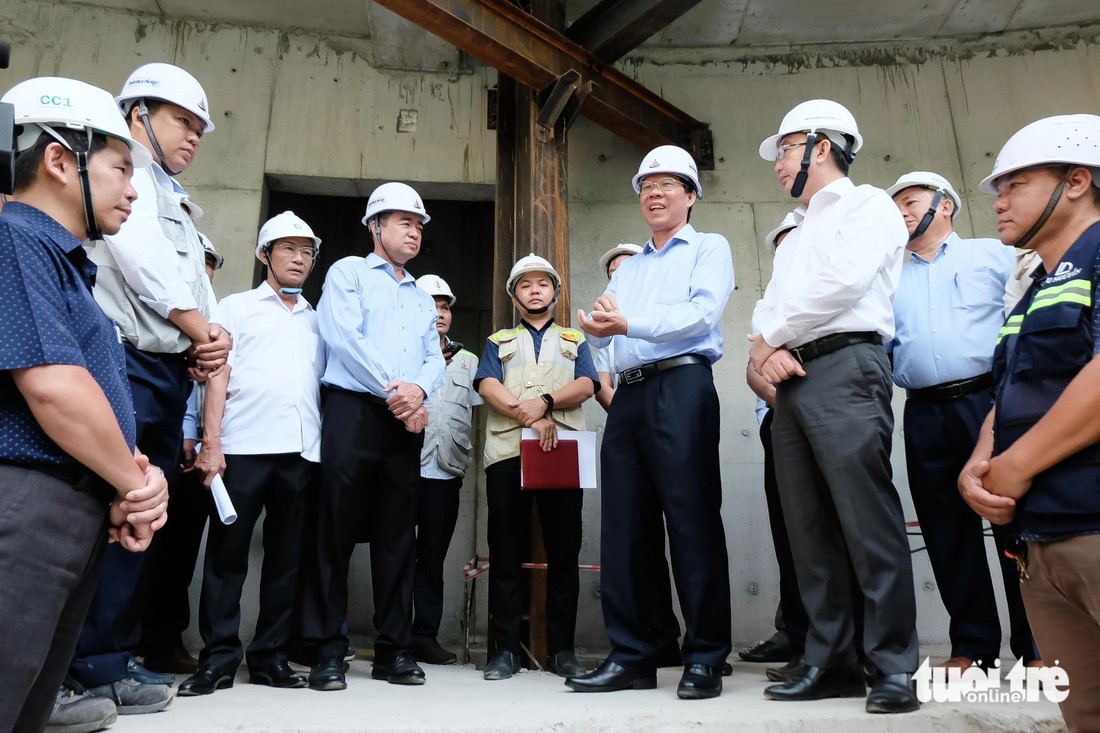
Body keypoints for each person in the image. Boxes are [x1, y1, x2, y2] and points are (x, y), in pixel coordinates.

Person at [0, 76, 168, 733]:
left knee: (28, 703)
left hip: (68, 511)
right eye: (121, 168)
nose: (132, 189)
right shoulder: (19, 239)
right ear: (60, 160)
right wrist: (138, 483)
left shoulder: (61, 260)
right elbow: (54, 386)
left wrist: (127, 481)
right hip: (29, 509)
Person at [63, 62, 230, 716]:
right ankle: (81, 665)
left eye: (199, 128)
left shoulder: (171, 195)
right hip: (122, 362)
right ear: (138, 114)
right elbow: (143, 261)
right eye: (182, 121)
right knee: (114, 512)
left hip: (162, 371)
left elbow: (195, 285)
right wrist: (201, 331)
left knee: (142, 517)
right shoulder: (124, 175)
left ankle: (108, 657)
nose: (193, 136)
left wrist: (202, 340)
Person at [749, 99, 919, 714]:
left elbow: (843, 282)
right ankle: (832, 660)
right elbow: (767, 307)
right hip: (793, 376)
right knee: (809, 530)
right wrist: (762, 350)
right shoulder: (796, 228)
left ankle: (895, 664)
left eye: (786, 149)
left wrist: (773, 337)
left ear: (822, 146)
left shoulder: (868, 205)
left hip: (848, 364)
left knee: (866, 522)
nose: (777, 164)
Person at [570, 144, 734, 700]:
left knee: (691, 520)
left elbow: (701, 314)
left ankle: (706, 655)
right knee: (623, 529)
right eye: (646, 186)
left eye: (668, 184)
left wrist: (625, 323)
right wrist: (594, 328)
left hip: (683, 385)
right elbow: (608, 330)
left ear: (691, 196)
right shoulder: (632, 266)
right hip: (631, 397)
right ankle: (632, 655)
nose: (655, 193)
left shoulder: (709, 247)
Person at [959, 114, 1100, 732]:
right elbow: (1015, 387)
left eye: (1015, 183)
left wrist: (1014, 467)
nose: (1000, 200)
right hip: (1040, 547)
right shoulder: (1037, 284)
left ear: (1075, 181)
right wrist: (979, 462)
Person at [885, 170, 1038, 671]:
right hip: (924, 410)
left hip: (992, 404)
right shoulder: (886, 274)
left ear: (944, 205)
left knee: (1012, 524)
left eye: (912, 200)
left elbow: (1026, 318)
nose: (903, 211)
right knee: (946, 531)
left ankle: (1036, 647)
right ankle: (972, 647)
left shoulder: (992, 255)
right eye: (897, 205)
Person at [177, 211, 326, 696]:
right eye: (289, 249)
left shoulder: (318, 320)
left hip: (301, 454)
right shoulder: (235, 308)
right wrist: (211, 444)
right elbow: (214, 379)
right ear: (264, 255)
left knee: (286, 560)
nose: (299, 259)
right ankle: (218, 658)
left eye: (307, 252)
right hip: (240, 450)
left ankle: (270, 657)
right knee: (227, 558)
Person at [303, 182, 444, 691]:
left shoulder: (423, 295)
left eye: (419, 224)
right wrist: (398, 393)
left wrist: (418, 392)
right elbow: (343, 336)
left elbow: (435, 357)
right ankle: (326, 650)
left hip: (404, 421)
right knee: (333, 534)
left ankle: (394, 651)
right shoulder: (349, 273)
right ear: (375, 227)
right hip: (353, 414)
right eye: (403, 221)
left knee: (396, 540)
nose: (414, 230)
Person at [474, 254, 597, 681]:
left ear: (555, 292)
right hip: (508, 452)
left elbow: (586, 385)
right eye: (525, 284)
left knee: (564, 552)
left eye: (543, 283)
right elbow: (488, 386)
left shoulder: (575, 338)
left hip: (561, 449)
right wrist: (532, 418)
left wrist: (545, 403)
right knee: (506, 551)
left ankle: (563, 651)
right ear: (514, 294)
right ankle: (505, 651)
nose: (535, 290)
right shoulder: (497, 339)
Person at [593, 242, 683, 669]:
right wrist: (627, 410)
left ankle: (700, 645)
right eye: (614, 272)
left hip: (669, 401)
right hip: (626, 410)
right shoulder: (605, 329)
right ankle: (646, 643)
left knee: (687, 524)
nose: (622, 274)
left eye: (628, 267)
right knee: (634, 535)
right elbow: (604, 379)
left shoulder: (661, 310)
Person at [139, 234, 224, 676]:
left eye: (208, 263)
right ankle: (120, 640)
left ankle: (162, 642)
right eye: (196, 261)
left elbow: (212, 384)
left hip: (191, 457)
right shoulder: (153, 310)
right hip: (153, 441)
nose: (201, 269)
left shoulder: (212, 322)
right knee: (135, 543)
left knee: (178, 553)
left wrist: (201, 436)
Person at [743, 213, 807, 679]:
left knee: (827, 534)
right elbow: (754, 366)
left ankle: (844, 641)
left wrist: (801, 404)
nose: (786, 251)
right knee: (790, 534)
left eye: (793, 242)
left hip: (823, 423)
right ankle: (797, 633)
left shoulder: (829, 297)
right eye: (780, 245)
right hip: (778, 425)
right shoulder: (768, 306)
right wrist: (783, 403)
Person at [410, 275, 481, 666]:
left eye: (445, 306)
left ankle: (425, 637)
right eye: (431, 305)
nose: (439, 313)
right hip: (405, 471)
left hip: (446, 471)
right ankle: (394, 631)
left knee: (432, 557)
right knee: (397, 554)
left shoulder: (468, 360)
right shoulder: (401, 353)